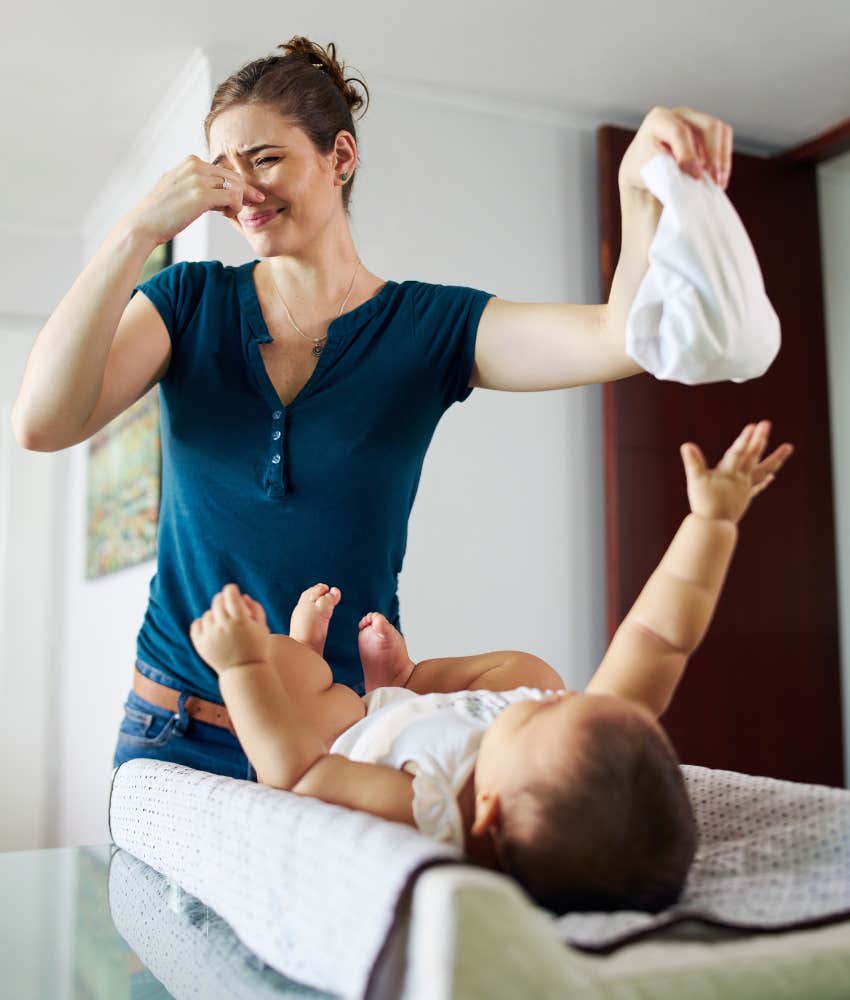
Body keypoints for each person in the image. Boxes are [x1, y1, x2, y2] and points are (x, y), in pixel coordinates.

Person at [11, 35, 736, 780]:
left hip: (331, 747)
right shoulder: (186, 303)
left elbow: (620, 337)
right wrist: (135, 232)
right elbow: (42, 422)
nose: (244, 192)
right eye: (226, 170)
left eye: (266, 159)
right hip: (167, 731)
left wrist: (638, 188)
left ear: (340, 157)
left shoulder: (428, 329)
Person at [187, 420, 793, 913]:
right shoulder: (560, 750)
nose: (552, 701)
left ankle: (312, 659)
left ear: (491, 810)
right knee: (530, 668)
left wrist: (241, 667)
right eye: (567, 709)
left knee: (296, 674)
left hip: (344, 730)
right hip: (432, 712)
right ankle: (401, 683)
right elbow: (660, 638)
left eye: (539, 718)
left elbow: (298, 775)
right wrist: (712, 524)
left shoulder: (429, 809)